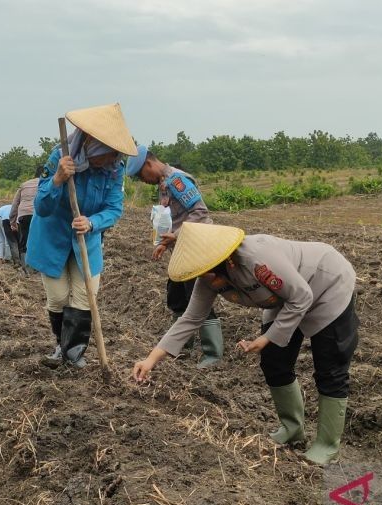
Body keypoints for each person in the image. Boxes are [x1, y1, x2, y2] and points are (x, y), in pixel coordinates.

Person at [132, 222, 359, 465]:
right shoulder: (207, 278)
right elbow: (191, 318)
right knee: (274, 362)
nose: (205, 280)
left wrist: (266, 338)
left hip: (326, 284)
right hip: (285, 299)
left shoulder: (256, 259)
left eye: (207, 273)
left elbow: (302, 296)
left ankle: (327, 445)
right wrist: (151, 359)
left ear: (224, 261)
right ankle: (292, 428)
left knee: (330, 366)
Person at [27, 103, 136, 369]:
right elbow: (41, 206)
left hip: (86, 240)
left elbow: (114, 208)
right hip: (51, 239)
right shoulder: (60, 158)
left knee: (85, 296)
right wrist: (57, 180)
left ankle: (73, 353)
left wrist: (92, 222)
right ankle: (59, 345)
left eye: (115, 156)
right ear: (92, 145)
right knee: (58, 298)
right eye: (108, 155)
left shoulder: (114, 169)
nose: (112, 161)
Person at [126, 147, 224, 368]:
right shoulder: (162, 185)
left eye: (141, 176)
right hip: (181, 249)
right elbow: (173, 218)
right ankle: (182, 347)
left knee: (197, 296)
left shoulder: (177, 181)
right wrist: (164, 243)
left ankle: (213, 354)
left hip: (196, 247)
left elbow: (200, 212)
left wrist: (176, 236)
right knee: (177, 296)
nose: (143, 180)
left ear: (148, 165)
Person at [10, 165, 42, 271]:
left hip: (24, 215)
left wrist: (12, 221)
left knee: (24, 240)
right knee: (39, 240)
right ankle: (36, 267)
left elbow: (15, 203)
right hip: (39, 215)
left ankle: (25, 268)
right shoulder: (47, 183)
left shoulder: (24, 184)